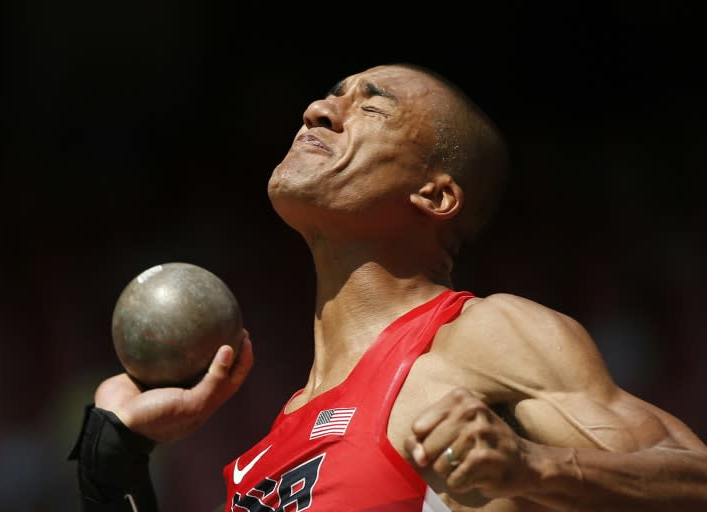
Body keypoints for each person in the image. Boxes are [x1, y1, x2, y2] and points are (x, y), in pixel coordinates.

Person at [69, 63, 707, 511]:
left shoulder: (482, 338)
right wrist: (114, 461)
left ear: (435, 194)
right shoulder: (265, 458)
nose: (317, 111)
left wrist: (532, 467)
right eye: (330, 96)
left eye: (368, 106)